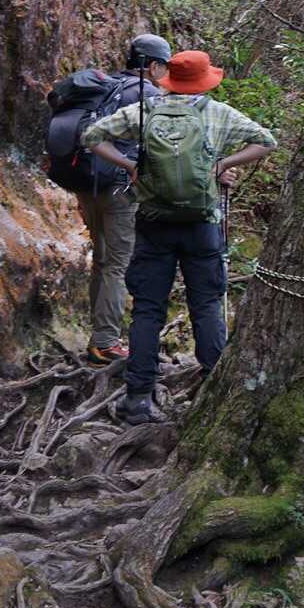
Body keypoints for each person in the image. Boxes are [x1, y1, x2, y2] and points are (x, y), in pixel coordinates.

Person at [82, 49, 276, 425]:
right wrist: (221, 165)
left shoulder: (146, 110)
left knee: (148, 309)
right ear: (205, 81)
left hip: (153, 223)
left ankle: (138, 399)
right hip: (202, 225)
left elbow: (92, 136)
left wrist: (130, 166)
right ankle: (213, 394)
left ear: (168, 79)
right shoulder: (217, 113)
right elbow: (266, 141)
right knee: (207, 304)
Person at [45, 33, 172, 365]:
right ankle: (105, 341)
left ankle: (100, 337)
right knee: (118, 264)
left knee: (102, 261)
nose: (166, 73)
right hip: (120, 190)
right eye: (165, 66)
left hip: (87, 184)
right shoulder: (147, 94)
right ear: (154, 66)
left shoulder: (108, 86)